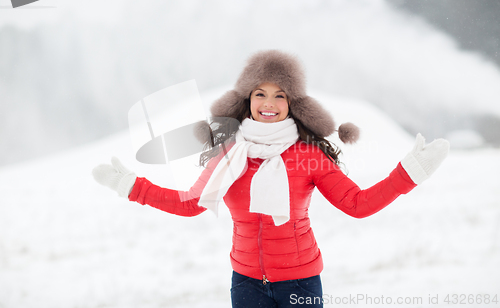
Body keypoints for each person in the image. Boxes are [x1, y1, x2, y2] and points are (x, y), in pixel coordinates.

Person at [92, 50, 450, 307]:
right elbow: (189, 205)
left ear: (292, 103)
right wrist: (131, 186)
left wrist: (410, 173)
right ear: (246, 99)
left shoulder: (309, 156)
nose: (269, 102)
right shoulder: (229, 154)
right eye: (260, 93)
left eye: (280, 95)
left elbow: (358, 205)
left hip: (301, 284)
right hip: (246, 284)